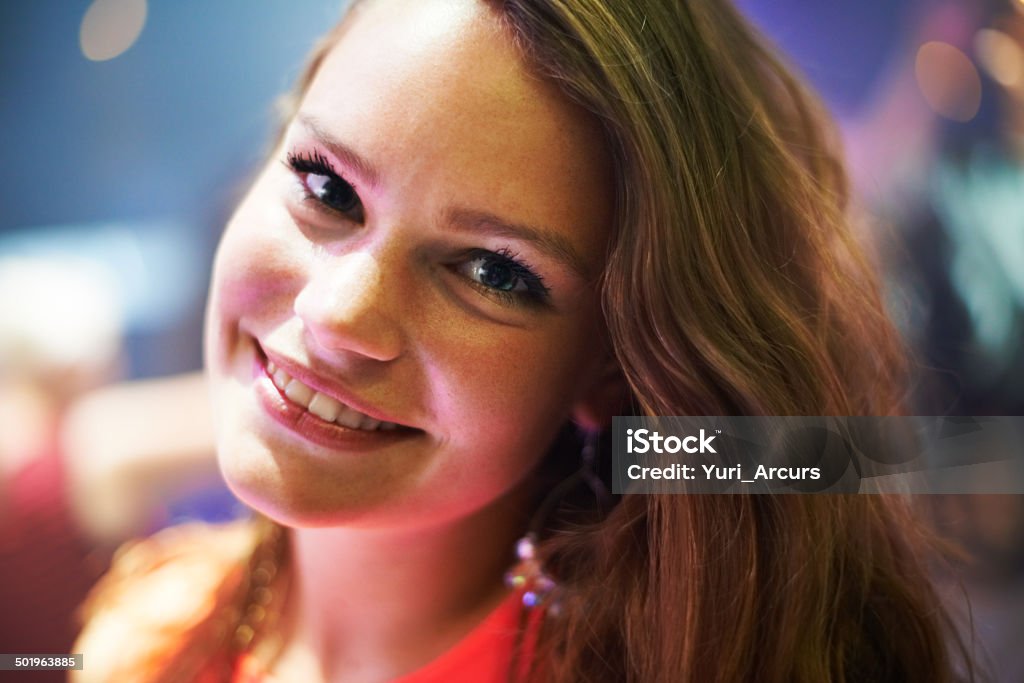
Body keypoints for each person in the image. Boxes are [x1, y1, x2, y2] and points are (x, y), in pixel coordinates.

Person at [73, 0, 974, 681]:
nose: (339, 313)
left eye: (494, 272)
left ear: (611, 371)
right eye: (325, 184)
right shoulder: (148, 621)